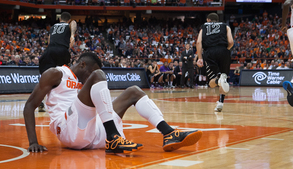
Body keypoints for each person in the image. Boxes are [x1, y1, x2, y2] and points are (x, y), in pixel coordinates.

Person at [23, 52, 202, 153]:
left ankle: (168, 132)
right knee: (99, 77)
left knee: (134, 91)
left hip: (92, 132)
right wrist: (33, 142)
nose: (90, 77)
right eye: (90, 72)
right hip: (67, 128)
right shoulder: (57, 73)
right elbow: (30, 105)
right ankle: (113, 137)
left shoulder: (84, 82)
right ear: (83, 65)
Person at [38, 12, 77, 112]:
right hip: (61, 50)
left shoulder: (53, 27)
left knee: (45, 76)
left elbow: (50, 40)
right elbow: (74, 23)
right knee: (65, 75)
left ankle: (40, 101)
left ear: (60, 19)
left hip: (50, 50)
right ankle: (66, 101)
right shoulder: (70, 24)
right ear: (68, 20)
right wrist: (72, 35)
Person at [196, 13, 234, 112]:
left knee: (212, 82)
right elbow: (231, 42)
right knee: (223, 77)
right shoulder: (226, 26)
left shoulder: (204, 26)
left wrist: (200, 58)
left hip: (210, 52)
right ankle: (220, 103)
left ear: (208, 20)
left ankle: (218, 81)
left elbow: (199, 42)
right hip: (224, 51)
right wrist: (225, 50)